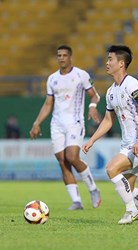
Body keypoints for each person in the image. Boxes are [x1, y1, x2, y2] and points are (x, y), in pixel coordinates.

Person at [82, 45, 138, 225]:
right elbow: (107, 121)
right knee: (129, 189)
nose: (107, 62)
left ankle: (131, 212)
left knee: (111, 169)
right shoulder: (111, 92)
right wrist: (92, 140)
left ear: (121, 63)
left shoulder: (132, 84)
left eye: (110, 59)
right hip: (127, 145)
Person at [29, 45, 101, 210]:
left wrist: (92, 106)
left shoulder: (81, 75)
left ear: (70, 57)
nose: (61, 58)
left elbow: (95, 95)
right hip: (57, 124)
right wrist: (37, 122)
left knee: (72, 157)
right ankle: (76, 201)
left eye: (64, 55)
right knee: (62, 161)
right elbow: (48, 103)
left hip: (74, 122)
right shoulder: (52, 79)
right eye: (59, 55)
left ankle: (93, 189)